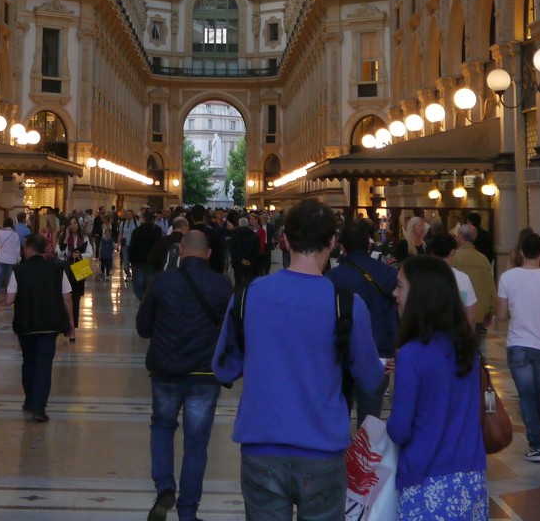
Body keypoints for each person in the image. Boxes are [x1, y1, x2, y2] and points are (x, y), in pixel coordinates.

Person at [214, 199, 386, 521]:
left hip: (261, 446)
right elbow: (371, 380)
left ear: (285, 241)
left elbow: (224, 366)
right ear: (333, 243)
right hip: (322, 450)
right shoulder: (347, 305)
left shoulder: (248, 296)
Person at [138, 227, 233, 521]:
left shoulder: (162, 281)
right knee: (196, 442)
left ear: (181, 250)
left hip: (165, 371)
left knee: (163, 427)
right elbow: (231, 332)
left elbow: (143, 327)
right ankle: (188, 511)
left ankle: (165, 487)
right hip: (204, 374)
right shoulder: (221, 285)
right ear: (208, 254)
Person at [387, 255, 487, 520]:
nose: (394, 293)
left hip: (427, 481)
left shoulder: (411, 354)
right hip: (471, 478)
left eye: (400, 285)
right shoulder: (467, 348)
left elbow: (399, 429)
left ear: (420, 294)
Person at [495, 233, 540, 463]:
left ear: (521, 252)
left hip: (518, 345)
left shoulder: (507, 278)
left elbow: (502, 315)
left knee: (526, 395)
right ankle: (537, 436)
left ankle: (535, 444)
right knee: (538, 394)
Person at [327, 218, 399, 422]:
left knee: (340, 411)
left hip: (343, 354)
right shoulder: (390, 274)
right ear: (369, 245)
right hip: (380, 351)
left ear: (342, 247)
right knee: (371, 418)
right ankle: (366, 452)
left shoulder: (333, 278)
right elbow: (398, 312)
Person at [8, 233, 76, 421]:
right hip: (49, 325)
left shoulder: (19, 271)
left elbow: (9, 299)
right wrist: (70, 322)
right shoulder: (57, 269)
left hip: (26, 325)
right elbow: (67, 297)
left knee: (28, 362)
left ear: (29, 249)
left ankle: (29, 401)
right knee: (44, 366)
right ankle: (39, 408)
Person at [446, 224, 496, 333]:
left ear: (461, 235)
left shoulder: (454, 257)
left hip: (459, 314)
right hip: (479, 314)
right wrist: (491, 311)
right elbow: (491, 287)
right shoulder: (483, 259)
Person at [130, 208, 168, 299]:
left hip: (139, 262)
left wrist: (132, 261)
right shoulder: (157, 231)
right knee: (150, 285)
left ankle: (143, 300)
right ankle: (147, 300)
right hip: (152, 262)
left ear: (143, 219)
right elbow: (160, 246)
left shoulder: (137, 231)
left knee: (138, 286)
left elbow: (132, 247)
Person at [227, 214, 264, 290]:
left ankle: (237, 298)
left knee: (238, 282)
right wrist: (250, 260)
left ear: (239, 224)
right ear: (247, 224)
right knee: (250, 283)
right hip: (250, 263)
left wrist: (241, 260)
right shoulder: (254, 236)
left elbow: (233, 251)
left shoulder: (234, 236)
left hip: (238, 264)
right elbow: (257, 250)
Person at [0, 218, 23, 305]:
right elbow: (18, 249)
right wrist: (18, 259)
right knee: (10, 279)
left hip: (1, 258)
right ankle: (9, 295)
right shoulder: (15, 235)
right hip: (12, 259)